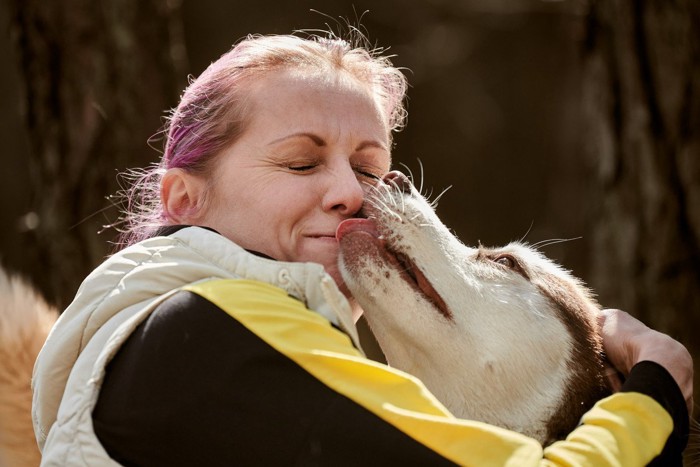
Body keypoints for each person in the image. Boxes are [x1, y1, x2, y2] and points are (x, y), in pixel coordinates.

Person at [32, 32, 692, 466]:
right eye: (299, 162)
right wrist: (656, 394)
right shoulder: (216, 328)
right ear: (184, 201)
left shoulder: (208, 348)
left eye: (371, 169)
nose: (354, 193)